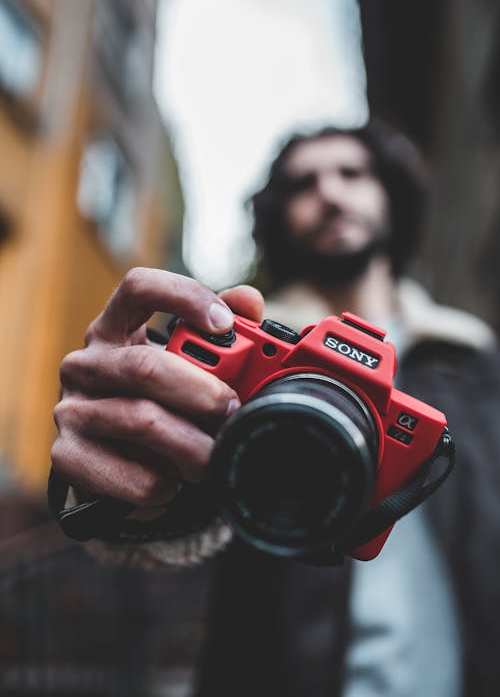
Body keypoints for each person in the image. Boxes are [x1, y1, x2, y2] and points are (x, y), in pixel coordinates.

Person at [51, 119, 500, 696]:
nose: (330, 194)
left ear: (391, 195)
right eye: (304, 184)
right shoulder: (227, 347)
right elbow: (174, 510)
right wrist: (121, 477)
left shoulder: (475, 361)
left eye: (351, 173)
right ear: (278, 217)